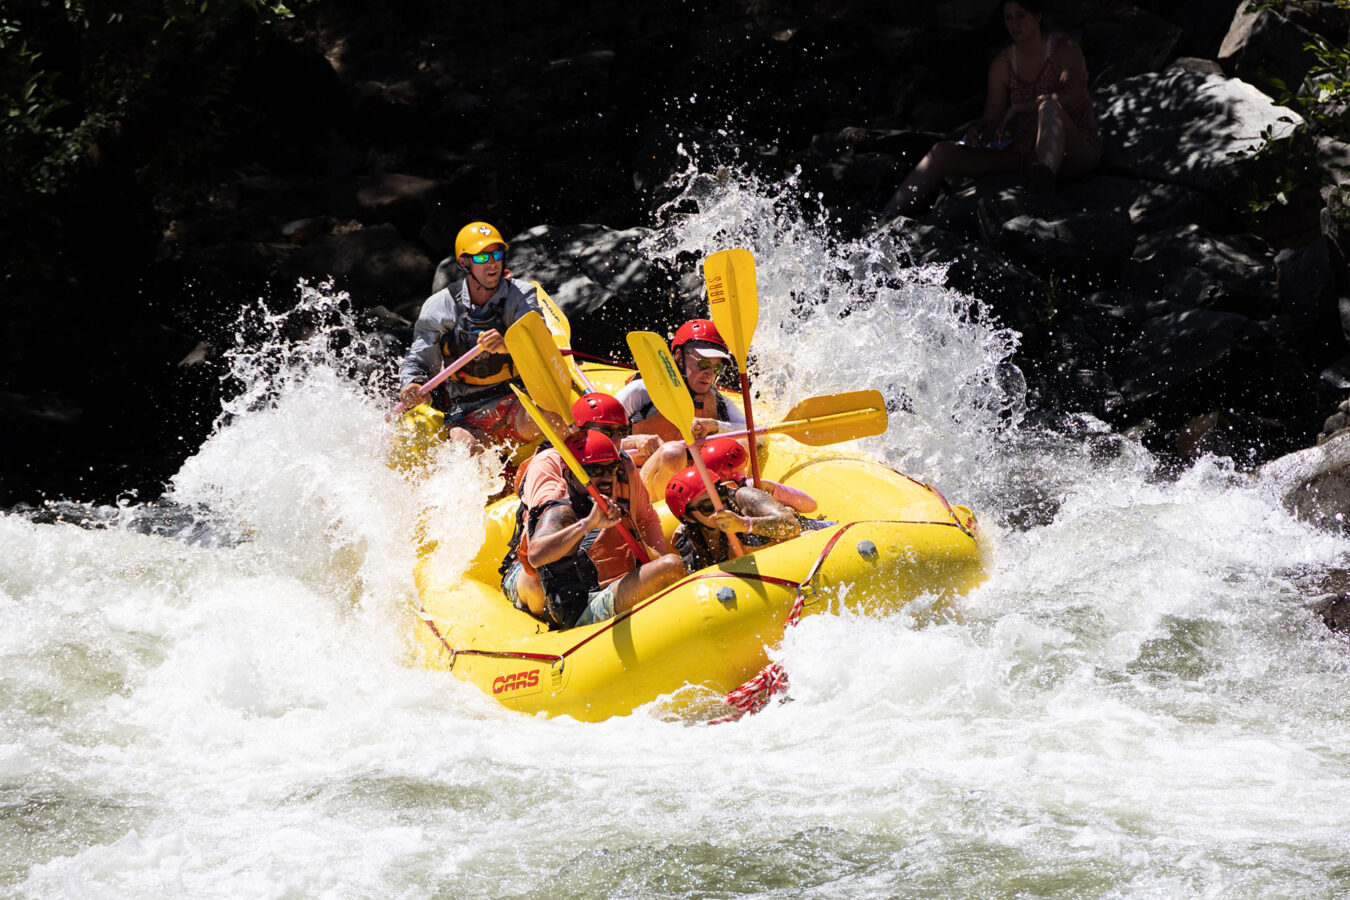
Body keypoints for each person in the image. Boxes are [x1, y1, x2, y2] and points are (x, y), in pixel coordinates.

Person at [882, 0, 1101, 217]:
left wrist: (1020, 107)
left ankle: (1042, 193)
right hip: (1023, 155)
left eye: (1021, 15)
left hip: (1075, 153)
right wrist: (979, 132)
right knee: (941, 151)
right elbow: (992, 119)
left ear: (1038, 16)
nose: (1015, 23)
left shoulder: (1064, 48)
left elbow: (1071, 95)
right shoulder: (1003, 63)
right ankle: (885, 218)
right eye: (1009, 17)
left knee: (1049, 107)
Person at [501, 428, 684, 629]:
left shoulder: (600, 502)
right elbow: (536, 555)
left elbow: (646, 522)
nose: (606, 478)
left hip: (600, 591)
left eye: (611, 469)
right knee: (670, 567)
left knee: (672, 565)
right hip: (579, 611)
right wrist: (588, 524)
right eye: (595, 471)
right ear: (569, 474)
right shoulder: (560, 509)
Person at [397, 221, 545, 448]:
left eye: (496, 254)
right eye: (481, 257)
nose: (492, 263)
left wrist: (507, 345)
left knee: (553, 419)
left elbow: (540, 347)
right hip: (467, 411)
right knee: (465, 448)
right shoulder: (440, 306)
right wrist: (413, 383)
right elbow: (419, 359)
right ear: (463, 262)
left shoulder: (521, 295)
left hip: (518, 399)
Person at [616, 319, 746, 500]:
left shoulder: (719, 402)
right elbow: (593, 438)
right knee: (673, 454)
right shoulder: (642, 390)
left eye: (717, 367)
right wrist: (634, 441)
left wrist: (714, 425)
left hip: (693, 492)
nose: (710, 373)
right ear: (678, 356)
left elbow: (758, 436)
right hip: (640, 485)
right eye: (702, 364)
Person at [664, 465, 801, 572]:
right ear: (689, 517)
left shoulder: (744, 497)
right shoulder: (690, 541)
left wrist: (743, 524)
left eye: (720, 495)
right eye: (706, 506)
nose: (720, 506)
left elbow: (792, 525)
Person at [698, 436, 818, 515]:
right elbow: (811, 504)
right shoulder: (701, 496)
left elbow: (811, 505)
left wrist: (774, 490)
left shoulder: (757, 485)